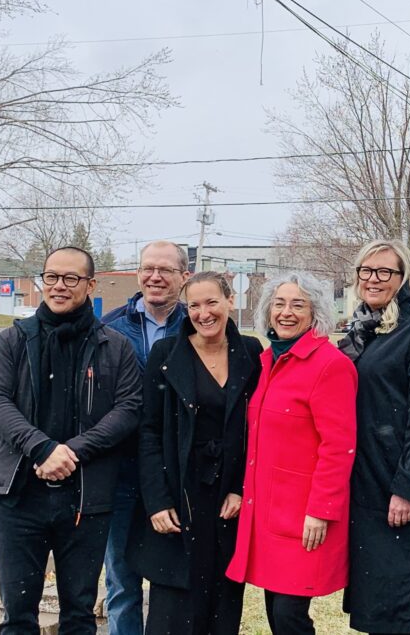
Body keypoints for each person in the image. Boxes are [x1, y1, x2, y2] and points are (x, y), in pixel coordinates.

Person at [0, 246, 142, 634]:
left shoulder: (114, 345)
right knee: (18, 617)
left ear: (90, 284)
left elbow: (129, 408)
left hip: (86, 499)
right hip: (19, 496)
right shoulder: (13, 340)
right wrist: (43, 448)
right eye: (51, 277)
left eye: (71, 279)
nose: (59, 286)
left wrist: (72, 452)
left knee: (79, 616)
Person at [128, 272, 262, 634]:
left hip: (227, 500)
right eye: (194, 305)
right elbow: (149, 430)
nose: (204, 313)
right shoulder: (167, 354)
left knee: (222, 606)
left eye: (212, 302)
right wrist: (156, 500)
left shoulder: (251, 353)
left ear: (230, 301)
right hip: (179, 494)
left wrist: (240, 488)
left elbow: (257, 430)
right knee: (173, 611)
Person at [226, 271, 357, 635]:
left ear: (315, 313)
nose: (286, 312)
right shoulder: (268, 361)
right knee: (275, 611)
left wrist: (320, 511)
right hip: (266, 511)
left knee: (289, 615)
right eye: (279, 304)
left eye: (298, 304)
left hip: (302, 517)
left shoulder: (330, 365)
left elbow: (338, 446)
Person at [338, 239, 410, 635]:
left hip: (405, 491)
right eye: (366, 271)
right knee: (378, 607)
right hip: (366, 486)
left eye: (385, 272)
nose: (373, 279)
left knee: (409, 606)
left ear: (402, 280)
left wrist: (407, 487)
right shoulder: (358, 332)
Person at [100, 240, 190, 635]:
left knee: (172, 580)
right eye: (148, 268)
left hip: (176, 477)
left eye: (166, 270)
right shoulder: (110, 329)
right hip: (118, 474)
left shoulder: (197, 326)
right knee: (121, 580)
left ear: (184, 277)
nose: (155, 277)